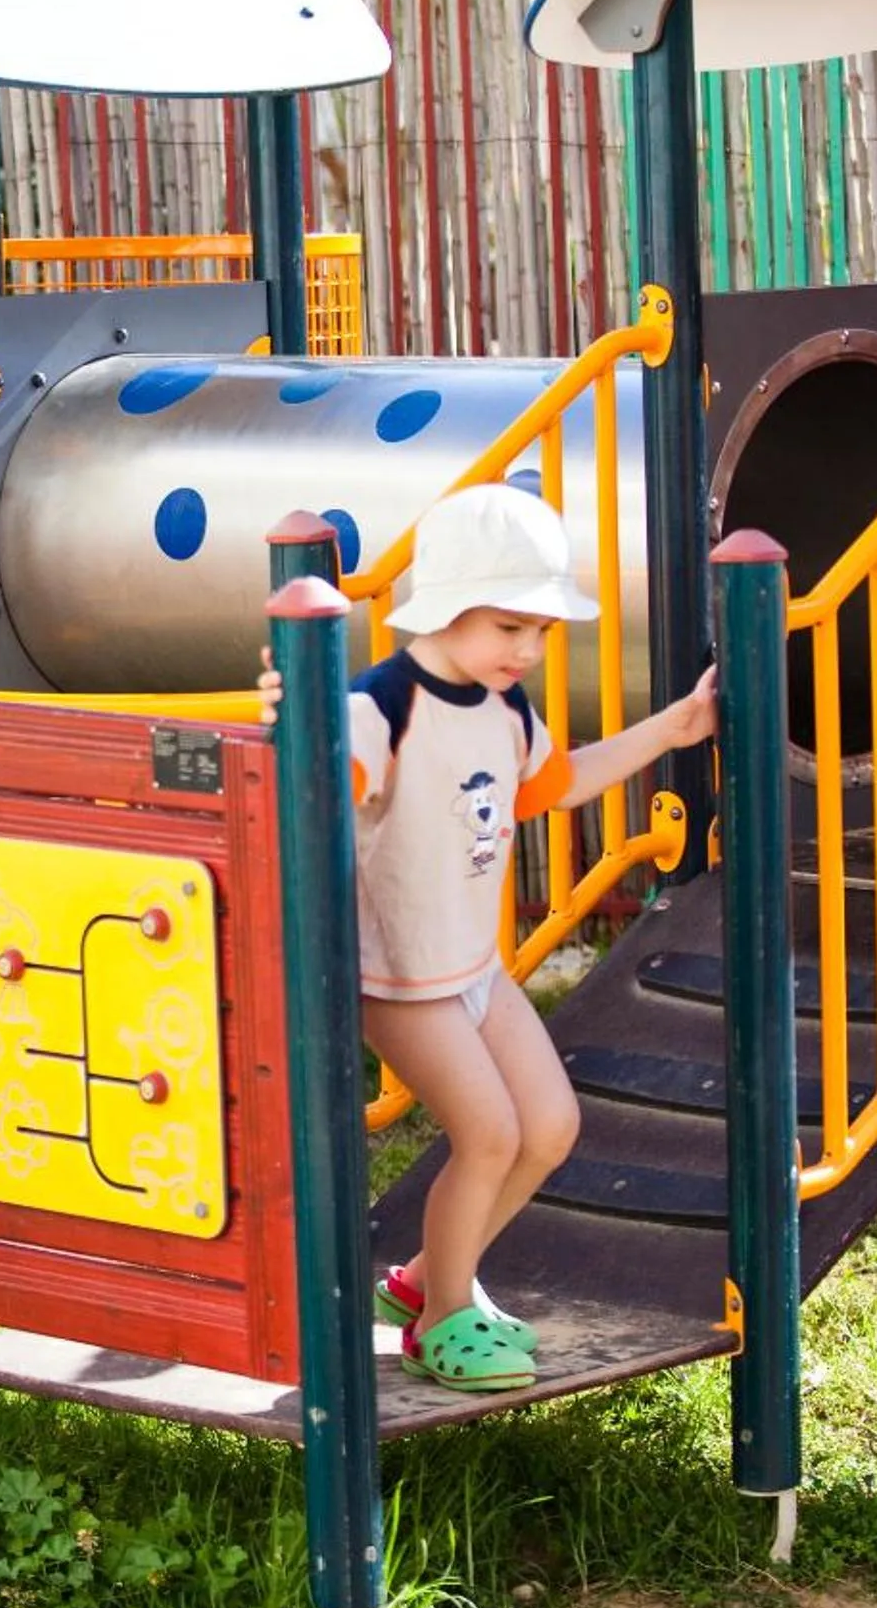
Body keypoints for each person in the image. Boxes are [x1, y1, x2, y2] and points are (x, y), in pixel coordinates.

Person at [263, 483, 717, 1393]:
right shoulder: (380, 707)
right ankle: (440, 1324)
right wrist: (289, 723)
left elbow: (555, 784)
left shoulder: (505, 711)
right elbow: (302, 785)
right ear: (446, 610)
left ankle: (430, 1281)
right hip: (397, 977)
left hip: (472, 967)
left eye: (542, 631)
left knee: (549, 1127)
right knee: (489, 1134)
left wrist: (674, 727)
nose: (529, 649)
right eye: (510, 626)